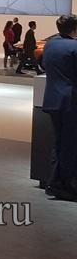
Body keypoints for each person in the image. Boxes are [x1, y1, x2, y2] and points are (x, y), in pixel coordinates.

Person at [42, 14, 77, 201]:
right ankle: (65, 185)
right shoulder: (74, 47)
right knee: (70, 144)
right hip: (70, 101)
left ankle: (54, 182)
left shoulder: (51, 44)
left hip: (53, 99)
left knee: (59, 142)